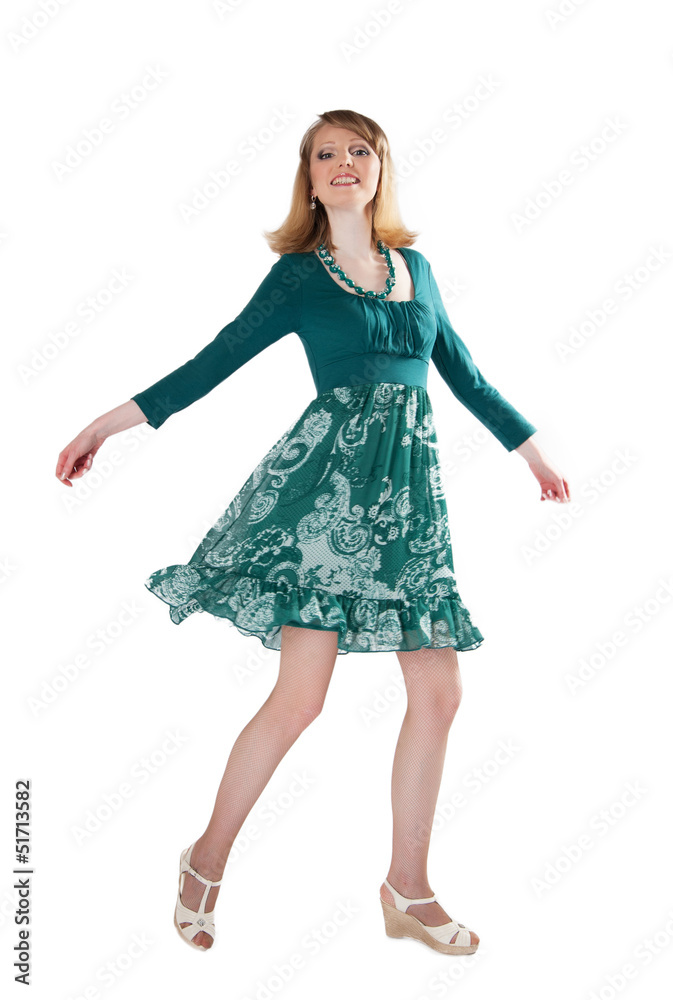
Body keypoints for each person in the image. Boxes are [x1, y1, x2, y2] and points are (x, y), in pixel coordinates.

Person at [55, 109, 571, 957]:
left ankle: (408, 889)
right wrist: (104, 426)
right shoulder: (299, 276)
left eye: (357, 152)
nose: (342, 164)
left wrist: (530, 451)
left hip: (408, 507)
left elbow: (465, 375)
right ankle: (204, 861)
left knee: (439, 693)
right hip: (323, 503)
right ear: (308, 175)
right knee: (301, 699)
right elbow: (213, 360)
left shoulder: (418, 269)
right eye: (325, 154)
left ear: (379, 169)